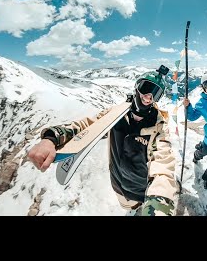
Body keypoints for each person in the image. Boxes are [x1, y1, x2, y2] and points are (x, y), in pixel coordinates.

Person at [27, 66, 176, 216]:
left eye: (155, 94)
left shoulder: (159, 128)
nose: (148, 97)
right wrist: (51, 138)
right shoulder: (116, 114)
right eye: (146, 88)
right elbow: (87, 126)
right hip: (118, 184)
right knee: (129, 207)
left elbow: (163, 165)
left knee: (142, 206)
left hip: (141, 189)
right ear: (137, 87)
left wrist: (159, 205)